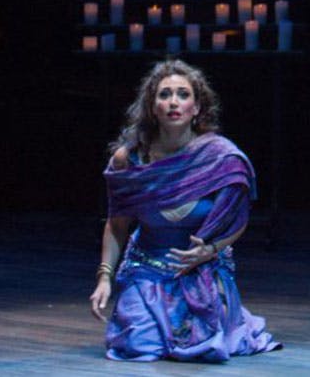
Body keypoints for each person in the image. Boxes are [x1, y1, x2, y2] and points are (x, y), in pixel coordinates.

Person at [89, 59, 281, 362]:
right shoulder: (130, 160)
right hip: (147, 268)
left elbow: (236, 220)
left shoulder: (220, 157)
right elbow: (116, 224)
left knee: (204, 344)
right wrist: (104, 277)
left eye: (183, 94)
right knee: (138, 345)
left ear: (197, 107)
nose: (173, 102)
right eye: (164, 95)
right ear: (152, 107)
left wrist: (211, 250)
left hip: (200, 269)